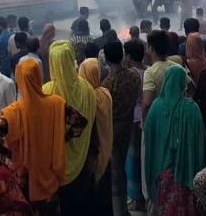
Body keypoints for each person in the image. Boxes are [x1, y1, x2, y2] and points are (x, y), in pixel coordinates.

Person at [0, 58, 66, 213]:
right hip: (49, 180)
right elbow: (79, 123)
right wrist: (57, 139)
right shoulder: (57, 104)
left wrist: (10, 152)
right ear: (39, 76)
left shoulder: (14, 112)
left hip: (24, 179)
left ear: (19, 80)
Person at [42, 41, 97, 215]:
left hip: (57, 166)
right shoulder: (87, 88)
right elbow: (92, 122)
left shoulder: (47, 91)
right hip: (83, 158)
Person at [144, 64, 206, 215]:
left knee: (165, 205)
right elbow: (200, 143)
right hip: (187, 169)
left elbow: (148, 139)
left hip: (162, 169)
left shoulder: (155, 107)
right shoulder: (192, 109)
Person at [100, 41, 140, 216]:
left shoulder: (107, 84)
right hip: (129, 125)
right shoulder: (134, 77)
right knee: (125, 164)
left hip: (113, 130)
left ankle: (120, 210)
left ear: (107, 60)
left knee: (116, 171)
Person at [79, 58, 113, 216]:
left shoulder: (87, 97)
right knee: (105, 193)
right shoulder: (105, 93)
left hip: (92, 150)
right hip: (106, 147)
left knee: (92, 193)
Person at [123, 39, 147, 212]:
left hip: (133, 119)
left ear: (129, 56)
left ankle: (136, 197)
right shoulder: (148, 72)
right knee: (144, 156)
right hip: (146, 119)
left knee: (132, 159)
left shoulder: (129, 75)